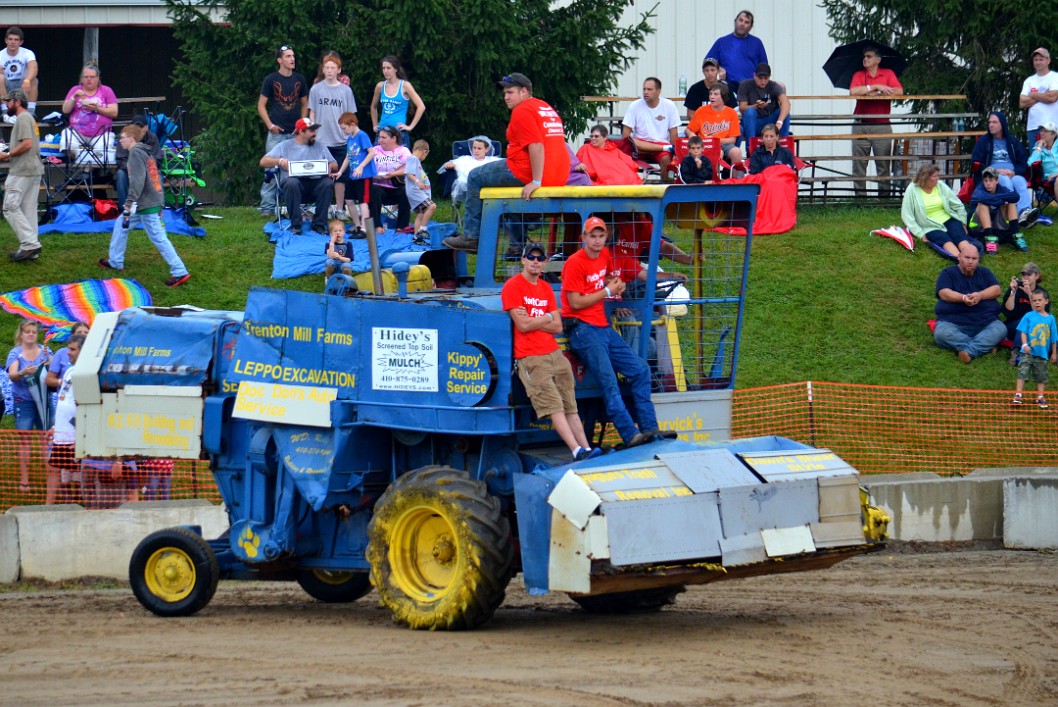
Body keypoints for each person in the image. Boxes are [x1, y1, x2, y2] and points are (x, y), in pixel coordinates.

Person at [560, 216, 661, 448]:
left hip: (603, 326)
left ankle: (650, 428)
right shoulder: (575, 263)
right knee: (609, 382)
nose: (597, 241)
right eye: (592, 236)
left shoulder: (604, 255)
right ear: (583, 238)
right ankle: (629, 435)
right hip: (582, 330)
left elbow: (602, 280)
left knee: (641, 370)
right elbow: (574, 302)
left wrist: (616, 283)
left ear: (607, 237)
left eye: (601, 236)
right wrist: (607, 290)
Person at [444, 73, 569, 252]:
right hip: (558, 175)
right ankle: (517, 246)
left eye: (510, 92)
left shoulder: (523, 110)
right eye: (504, 93)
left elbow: (536, 145)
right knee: (508, 195)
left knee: (475, 176)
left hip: (531, 172)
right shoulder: (545, 107)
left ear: (524, 91)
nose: (506, 97)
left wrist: (536, 181)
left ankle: (471, 237)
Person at [502, 242, 600, 461]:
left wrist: (539, 318)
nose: (535, 262)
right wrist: (546, 317)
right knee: (553, 405)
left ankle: (587, 448)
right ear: (523, 260)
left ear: (545, 262)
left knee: (570, 404)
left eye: (540, 258)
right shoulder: (513, 286)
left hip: (555, 354)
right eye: (531, 257)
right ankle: (576, 451)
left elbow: (557, 326)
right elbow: (523, 326)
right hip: (531, 357)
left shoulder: (546, 288)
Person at [99, 124, 192, 287]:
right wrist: (160, 203)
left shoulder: (135, 153)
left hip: (146, 205)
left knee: (159, 238)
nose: (119, 140)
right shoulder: (145, 152)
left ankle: (179, 271)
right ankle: (115, 261)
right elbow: (156, 179)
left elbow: (137, 181)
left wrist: (129, 203)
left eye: (122, 137)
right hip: (150, 202)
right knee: (121, 225)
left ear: (131, 139)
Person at [259, 117, 339, 235]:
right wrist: (280, 161)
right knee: (291, 182)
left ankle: (319, 224)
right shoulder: (285, 146)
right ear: (301, 132)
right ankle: (296, 225)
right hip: (294, 184)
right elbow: (263, 161)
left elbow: (335, 164)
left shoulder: (320, 146)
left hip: (315, 183)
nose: (315, 133)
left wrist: (330, 166)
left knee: (327, 183)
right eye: (311, 131)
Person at [257, 44, 309, 215]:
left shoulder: (299, 79)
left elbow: (304, 104)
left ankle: (298, 207)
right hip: (276, 135)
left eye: (293, 56)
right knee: (271, 171)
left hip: (295, 135)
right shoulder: (271, 80)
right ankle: (267, 208)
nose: (292, 59)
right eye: (288, 56)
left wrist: (301, 125)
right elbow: (261, 105)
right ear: (279, 60)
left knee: (297, 170)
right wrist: (270, 125)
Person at [934, 241, 1005, 364]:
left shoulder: (985, 273)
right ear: (959, 257)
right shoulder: (948, 273)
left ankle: (969, 350)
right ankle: (983, 346)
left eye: (974, 258)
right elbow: (944, 293)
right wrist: (963, 298)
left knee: (1000, 329)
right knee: (941, 334)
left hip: (985, 322)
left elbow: (997, 290)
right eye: (967, 257)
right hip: (953, 322)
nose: (970, 261)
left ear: (978, 259)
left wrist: (980, 295)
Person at [849, 46, 904, 198]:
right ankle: (860, 199)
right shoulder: (859, 74)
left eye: (869, 56)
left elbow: (899, 91)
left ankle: (884, 199)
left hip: (882, 124)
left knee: (883, 164)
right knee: (859, 165)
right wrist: (874, 86)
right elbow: (853, 91)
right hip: (861, 124)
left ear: (878, 60)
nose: (865, 59)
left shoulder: (888, 73)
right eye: (864, 57)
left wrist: (878, 93)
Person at [6, 319, 52, 493]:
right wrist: (22, 372)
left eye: (34, 331)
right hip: (23, 401)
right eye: (28, 331)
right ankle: (24, 478)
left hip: (44, 401)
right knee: (24, 439)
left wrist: (50, 364)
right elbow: (12, 375)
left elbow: (56, 369)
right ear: (21, 334)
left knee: (45, 438)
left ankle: (49, 475)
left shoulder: (45, 351)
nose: (31, 334)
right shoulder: (15, 353)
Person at [308, 52, 356, 218]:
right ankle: (326, 207)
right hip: (322, 141)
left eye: (333, 68)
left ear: (339, 70)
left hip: (341, 140)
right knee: (324, 176)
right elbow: (312, 112)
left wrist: (350, 134)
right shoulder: (316, 89)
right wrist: (313, 131)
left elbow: (350, 115)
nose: (329, 71)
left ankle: (341, 209)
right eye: (327, 67)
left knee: (341, 177)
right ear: (323, 69)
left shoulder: (345, 91)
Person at [970, 111, 1037, 226]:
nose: (991, 124)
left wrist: (1014, 172)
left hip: (1012, 173)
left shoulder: (1012, 141)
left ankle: (1024, 213)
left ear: (1002, 124)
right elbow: (976, 162)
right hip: (993, 175)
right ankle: (1010, 216)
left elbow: (1023, 160)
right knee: (1004, 181)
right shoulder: (984, 141)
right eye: (990, 122)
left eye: (994, 122)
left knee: (1020, 181)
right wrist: (995, 172)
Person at [1, 87, 43, 262]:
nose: (6, 104)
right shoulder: (29, 118)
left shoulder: (23, 118)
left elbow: (26, 144)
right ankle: (30, 248)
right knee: (28, 210)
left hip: (22, 170)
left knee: (10, 207)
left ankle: (30, 244)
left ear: (17, 102)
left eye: (8, 101)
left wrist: (8, 155)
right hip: (33, 169)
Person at [44, 333, 85, 505]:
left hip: (74, 436)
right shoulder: (69, 371)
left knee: (80, 476)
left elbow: (85, 407)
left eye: (72, 349)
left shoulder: (86, 374)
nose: (68, 352)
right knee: (56, 471)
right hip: (61, 433)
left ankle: (85, 508)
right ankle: (49, 506)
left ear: (83, 351)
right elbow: (64, 400)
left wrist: (80, 433)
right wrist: (55, 426)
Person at [901, 163, 968, 259]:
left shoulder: (940, 185)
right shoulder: (912, 189)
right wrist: (920, 233)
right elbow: (907, 215)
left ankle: (971, 257)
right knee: (944, 239)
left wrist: (963, 221)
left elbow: (957, 204)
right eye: (934, 176)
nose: (937, 178)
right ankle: (960, 259)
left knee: (959, 235)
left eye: (937, 175)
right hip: (929, 225)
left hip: (948, 219)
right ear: (925, 178)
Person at [621, 77, 681, 179]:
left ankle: (666, 189)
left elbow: (673, 133)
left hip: (660, 145)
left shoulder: (669, 105)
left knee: (666, 160)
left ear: (658, 91)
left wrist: (675, 153)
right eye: (644, 89)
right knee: (625, 155)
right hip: (640, 147)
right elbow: (626, 135)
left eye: (649, 89)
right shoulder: (635, 105)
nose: (645, 92)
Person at [60, 64, 118, 162]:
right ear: (82, 78)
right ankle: (85, 163)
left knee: (103, 149)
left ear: (98, 77)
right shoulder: (75, 89)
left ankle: (86, 171)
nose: (88, 79)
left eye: (92, 77)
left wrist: (97, 109)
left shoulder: (106, 90)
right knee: (66, 137)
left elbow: (114, 112)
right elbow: (65, 110)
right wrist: (74, 97)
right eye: (86, 77)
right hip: (77, 131)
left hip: (101, 133)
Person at [1012, 287, 1057, 409]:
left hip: (1042, 353)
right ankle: (1018, 395)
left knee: (1041, 376)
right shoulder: (1028, 316)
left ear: (1046, 301)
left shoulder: (1050, 318)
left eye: (1039, 300)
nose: (1037, 303)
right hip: (1027, 352)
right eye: (1034, 300)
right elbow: (1023, 332)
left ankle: (1040, 397)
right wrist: (1025, 345)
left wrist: (1054, 353)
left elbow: (1054, 337)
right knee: (1022, 372)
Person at [369, 55, 426, 146]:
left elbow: (421, 106)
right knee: (377, 159)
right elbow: (373, 106)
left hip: (399, 133)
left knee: (401, 160)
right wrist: (375, 124)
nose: (385, 71)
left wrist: (410, 126)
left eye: (388, 68)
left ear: (396, 69)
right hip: (382, 132)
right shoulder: (380, 86)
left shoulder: (405, 86)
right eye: (383, 68)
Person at [969, 166, 1026, 254]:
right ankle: (990, 238)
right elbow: (981, 198)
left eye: (991, 180)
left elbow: (1015, 196)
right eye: (985, 180)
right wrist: (1000, 199)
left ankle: (1016, 235)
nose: (988, 183)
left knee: (1010, 203)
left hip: (996, 226)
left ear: (997, 181)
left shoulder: (1002, 189)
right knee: (982, 204)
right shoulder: (979, 189)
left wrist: (995, 198)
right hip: (978, 228)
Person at [705, 10, 769, 87]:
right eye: (740, 20)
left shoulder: (757, 43)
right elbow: (708, 62)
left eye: (746, 22)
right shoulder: (721, 42)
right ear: (735, 22)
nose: (742, 24)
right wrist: (719, 69)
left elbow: (764, 67)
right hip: (727, 86)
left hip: (751, 87)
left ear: (750, 27)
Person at [686, 85, 744, 169]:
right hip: (705, 143)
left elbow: (732, 139)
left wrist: (715, 140)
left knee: (737, 152)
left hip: (723, 143)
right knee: (717, 152)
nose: (712, 97)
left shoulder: (731, 113)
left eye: (716, 94)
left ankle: (735, 180)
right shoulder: (701, 110)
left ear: (723, 97)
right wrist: (694, 137)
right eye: (710, 94)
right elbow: (688, 130)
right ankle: (714, 180)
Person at [335, 112, 375, 233]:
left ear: (352, 124)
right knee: (349, 200)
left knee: (363, 202)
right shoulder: (350, 138)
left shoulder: (361, 135)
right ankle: (357, 225)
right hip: (353, 175)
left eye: (344, 128)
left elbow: (372, 152)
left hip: (364, 176)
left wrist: (361, 167)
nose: (343, 131)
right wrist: (341, 172)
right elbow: (348, 155)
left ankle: (364, 228)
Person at [368, 126, 411, 234]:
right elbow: (365, 166)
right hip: (378, 186)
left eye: (384, 137)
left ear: (394, 138)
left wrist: (393, 174)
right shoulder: (374, 150)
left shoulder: (403, 151)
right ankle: (377, 226)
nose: (380, 140)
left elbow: (411, 167)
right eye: (379, 137)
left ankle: (402, 227)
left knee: (407, 191)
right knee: (373, 190)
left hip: (396, 186)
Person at [113, 115, 162, 210]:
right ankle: (125, 210)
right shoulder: (124, 138)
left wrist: (143, 169)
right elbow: (120, 160)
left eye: (141, 127)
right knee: (120, 175)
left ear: (146, 127)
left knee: (157, 175)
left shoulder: (152, 138)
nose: (138, 129)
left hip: (148, 170)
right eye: (135, 127)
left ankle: (156, 209)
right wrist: (132, 168)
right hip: (129, 170)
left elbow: (158, 160)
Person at [1003, 263, 1044, 366]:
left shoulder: (1041, 293)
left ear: (1037, 276)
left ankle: (1017, 353)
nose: (1025, 277)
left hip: (1035, 327)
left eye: (1029, 274)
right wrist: (1013, 292)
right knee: (1025, 321)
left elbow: (1041, 316)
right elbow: (1008, 311)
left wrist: (1030, 295)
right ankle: (1017, 353)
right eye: (1023, 274)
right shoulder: (1016, 289)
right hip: (1013, 326)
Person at [737, 63, 791, 139]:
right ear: (754, 75)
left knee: (784, 112)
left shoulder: (774, 86)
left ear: (769, 77)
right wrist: (756, 106)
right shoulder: (745, 85)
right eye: (760, 78)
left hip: (770, 122)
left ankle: (783, 146)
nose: (763, 81)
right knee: (750, 112)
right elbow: (742, 108)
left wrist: (779, 122)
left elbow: (786, 103)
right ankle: (751, 148)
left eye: (766, 78)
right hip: (754, 122)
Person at [574, 124, 641, 185]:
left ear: (605, 137)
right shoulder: (586, 148)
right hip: (603, 179)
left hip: (619, 177)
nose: (593, 138)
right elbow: (575, 163)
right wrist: (580, 166)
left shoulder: (613, 149)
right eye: (592, 136)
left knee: (630, 177)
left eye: (596, 136)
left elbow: (629, 163)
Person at [1019, 48, 1058, 150]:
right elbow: (1022, 102)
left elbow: (1052, 97)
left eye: (1041, 59)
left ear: (1048, 60)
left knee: (1053, 161)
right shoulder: (1029, 81)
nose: (1038, 62)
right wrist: (1043, 95)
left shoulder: (1055, 77)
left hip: (1053, 128)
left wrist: (1032, 94)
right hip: (1034, 128)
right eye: (1035, 60)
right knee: (1036, 161)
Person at [442, 135, 502, 199]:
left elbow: (504, 164)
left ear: (486, 149)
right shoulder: (466, 159)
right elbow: (449, 164)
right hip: (468, 184)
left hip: (487, 183)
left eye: (479, 148)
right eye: (474, 148)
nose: (476, 151)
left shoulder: (492, 160)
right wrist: (450, 165)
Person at [2, 27, 37, 119]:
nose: (13, 42)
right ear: (6, 40)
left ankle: (30, 112)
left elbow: (33, 67)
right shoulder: (1, 55)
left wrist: (27, 80)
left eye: (16, 40)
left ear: (21, 42)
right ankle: (5, 112)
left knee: (33, 78)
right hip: (7, 88)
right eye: (10, 39)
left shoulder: (27, 53)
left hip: (23, 87)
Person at [404, 139, 435, 240]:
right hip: (415, 191)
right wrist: (417, 181)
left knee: (420, 214)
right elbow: (408, 173)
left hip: (417, 192)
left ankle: (416, 237)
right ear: (425, 151)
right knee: (432, 206)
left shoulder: (415, 161)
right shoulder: (413, 159)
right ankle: (423, 230)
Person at [1028, 121, 1058, 193]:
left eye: (1045, 131)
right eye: (1041, 131)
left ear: (1053, 135)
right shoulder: (1039, 148)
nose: (1042, 133)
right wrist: (1039, 147)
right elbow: (1031, 164)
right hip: (1050, 178)